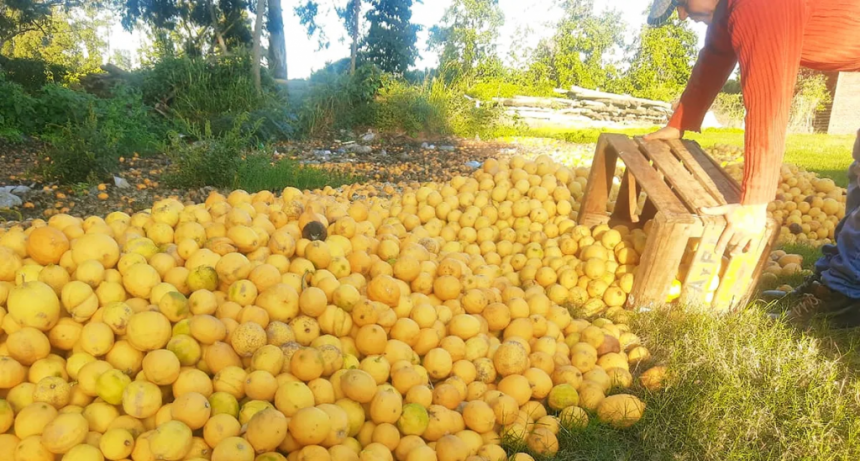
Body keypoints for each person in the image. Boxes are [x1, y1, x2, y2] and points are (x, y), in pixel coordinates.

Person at [645, 0, 860, 327]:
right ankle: (836, 279)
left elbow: (768, 99)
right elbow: (715, 56)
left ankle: (844, 295)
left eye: (681, 1)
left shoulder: (756, 4)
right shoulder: (727, 10)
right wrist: (679, 123)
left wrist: (754, 204)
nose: (681, 14)